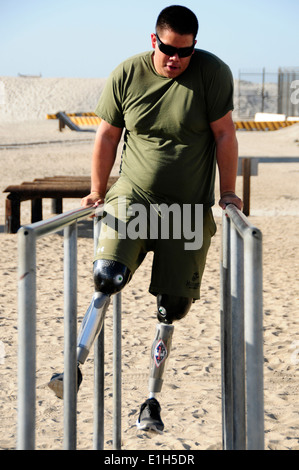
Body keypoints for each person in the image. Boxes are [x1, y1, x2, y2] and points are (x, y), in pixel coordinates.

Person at [48, 5, 242, 433]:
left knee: (172, 307)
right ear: (153, 40)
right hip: (132, 198)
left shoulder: (212, 73)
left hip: (188, 208)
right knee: (107, 275)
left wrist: (227, 192)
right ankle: (72, 367)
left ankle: (150, 402)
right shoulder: (127, 74)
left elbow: (225, 133)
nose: (176, 59)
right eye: (169, 49)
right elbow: (107, 135)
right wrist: (97, 190)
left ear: (195, 47)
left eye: (185, 52)